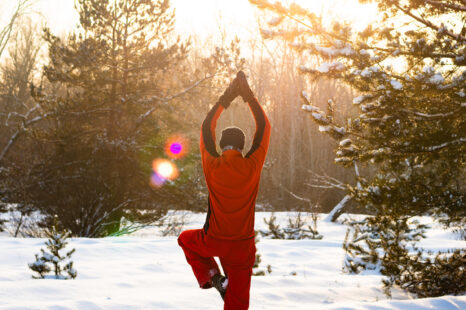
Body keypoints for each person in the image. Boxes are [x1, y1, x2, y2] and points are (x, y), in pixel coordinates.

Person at [177, 71, 271, 310]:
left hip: (214, 241)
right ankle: (224, 285)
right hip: (242, 247)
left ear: (220, 145)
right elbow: (264, 126)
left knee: (185, 240)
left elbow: (207, 126)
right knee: (237, 305)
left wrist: (226, 98)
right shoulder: (252, 165)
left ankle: (214, 278)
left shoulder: (212, 164)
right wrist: (248, 96)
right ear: (242, 146)